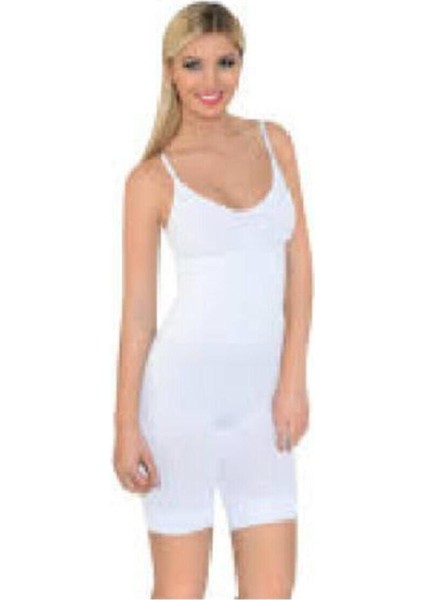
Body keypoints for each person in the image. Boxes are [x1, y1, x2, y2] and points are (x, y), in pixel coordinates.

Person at [113, 2, 313, 598]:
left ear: (241, 64)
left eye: (225, 62)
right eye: (193, 64)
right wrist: (125, 425)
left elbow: (300, 269)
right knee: (179, 591)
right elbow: (139, 318)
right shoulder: (151, 179)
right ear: (170, 71)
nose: (211, 81)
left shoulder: (274, 142)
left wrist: (293, 379)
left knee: (272, 592)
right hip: (178, 408)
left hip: (263, 410)